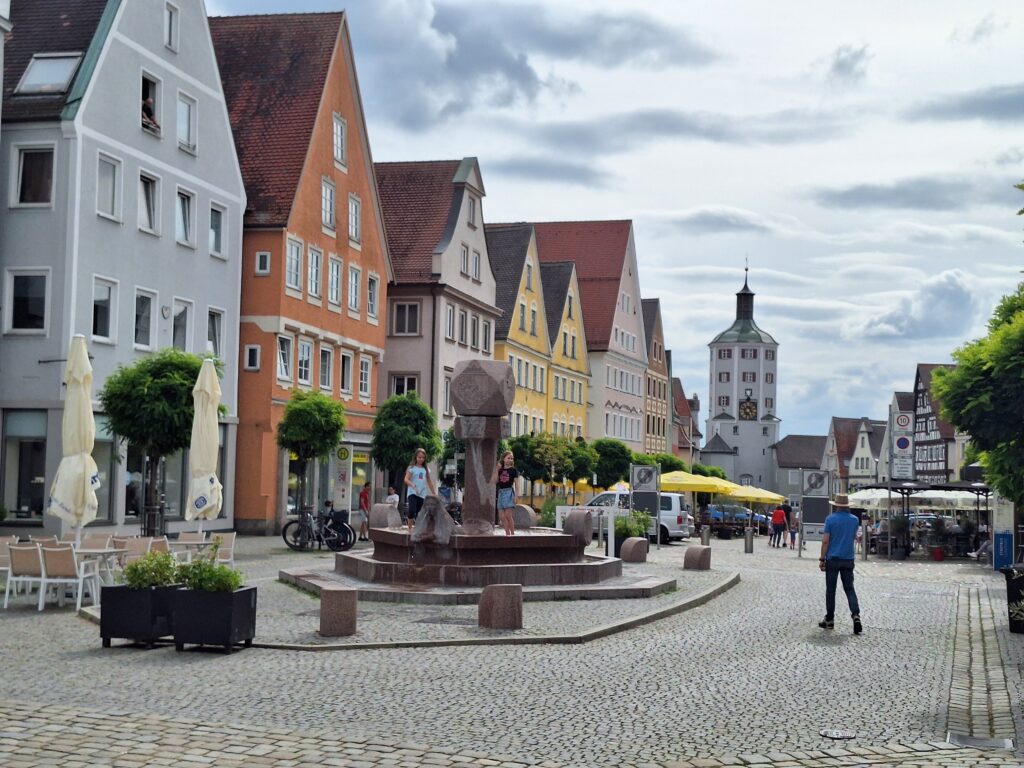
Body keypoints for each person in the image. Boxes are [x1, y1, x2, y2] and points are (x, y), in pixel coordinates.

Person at [819, 493, 862, 634]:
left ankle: (829, 619)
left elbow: (826, 541)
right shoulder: (855, 520)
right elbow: (852, 536)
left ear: (836, 505)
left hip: (833, 558)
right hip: (848, 559)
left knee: (831, 590)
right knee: (849, 588)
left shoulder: (830, 519)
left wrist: (821, 558)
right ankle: (855, 615)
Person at [404, 448, 435, 534]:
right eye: (419, 457)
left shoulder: (426, 469)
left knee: (420, 513)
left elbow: (429, 482)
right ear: (416, 457)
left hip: (422, 494)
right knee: (411, 510)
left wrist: (433, 493)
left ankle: (418, 529)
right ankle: (409, 528)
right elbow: (406, 479)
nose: (421, 459)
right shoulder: (411, 468)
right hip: (412, 492)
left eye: (423, 458)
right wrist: (412, 485)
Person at [492, 450, 518, 536]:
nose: (510, 460)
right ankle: (507, 534)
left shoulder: (513, 470)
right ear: (503, 459)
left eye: (511, 458)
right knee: (501, 517)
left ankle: (513, 534)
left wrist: (516, 496)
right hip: (500, 493)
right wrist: (496, 469)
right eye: (508, 458)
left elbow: (517, 484)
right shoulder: (500, 470)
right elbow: (495, 481)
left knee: (507, 515)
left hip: (509, 492)